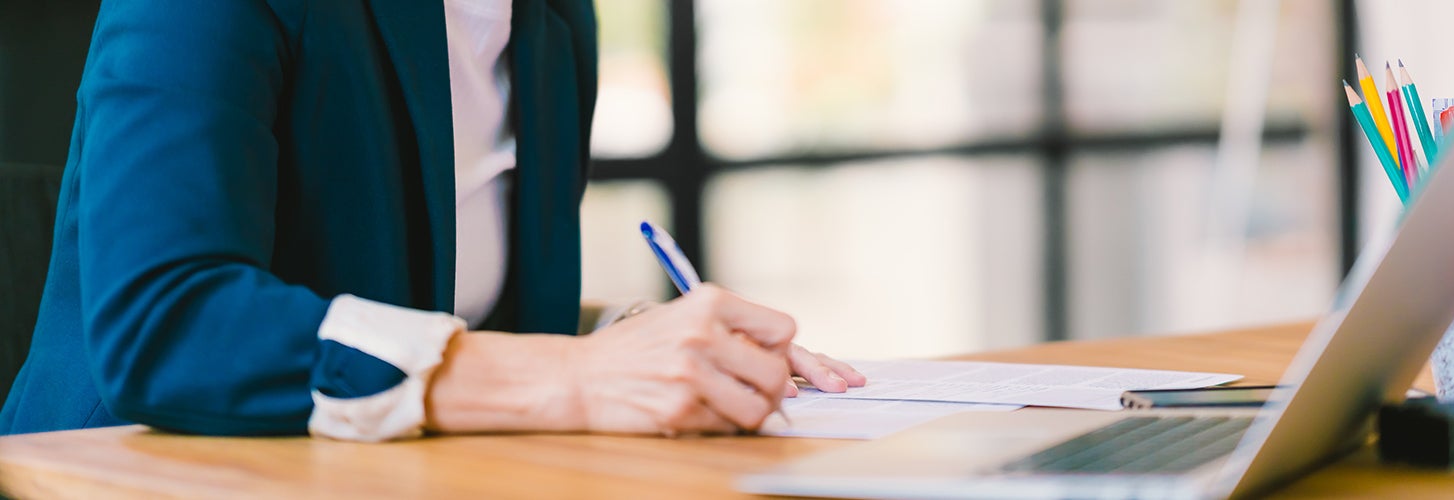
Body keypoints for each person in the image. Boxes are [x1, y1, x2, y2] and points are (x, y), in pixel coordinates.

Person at [0, 0, 864, 441]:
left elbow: (466, 321)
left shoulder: (554, 22)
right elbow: (165, 323)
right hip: (132, 474)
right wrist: (571, 377)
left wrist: (654, 347)